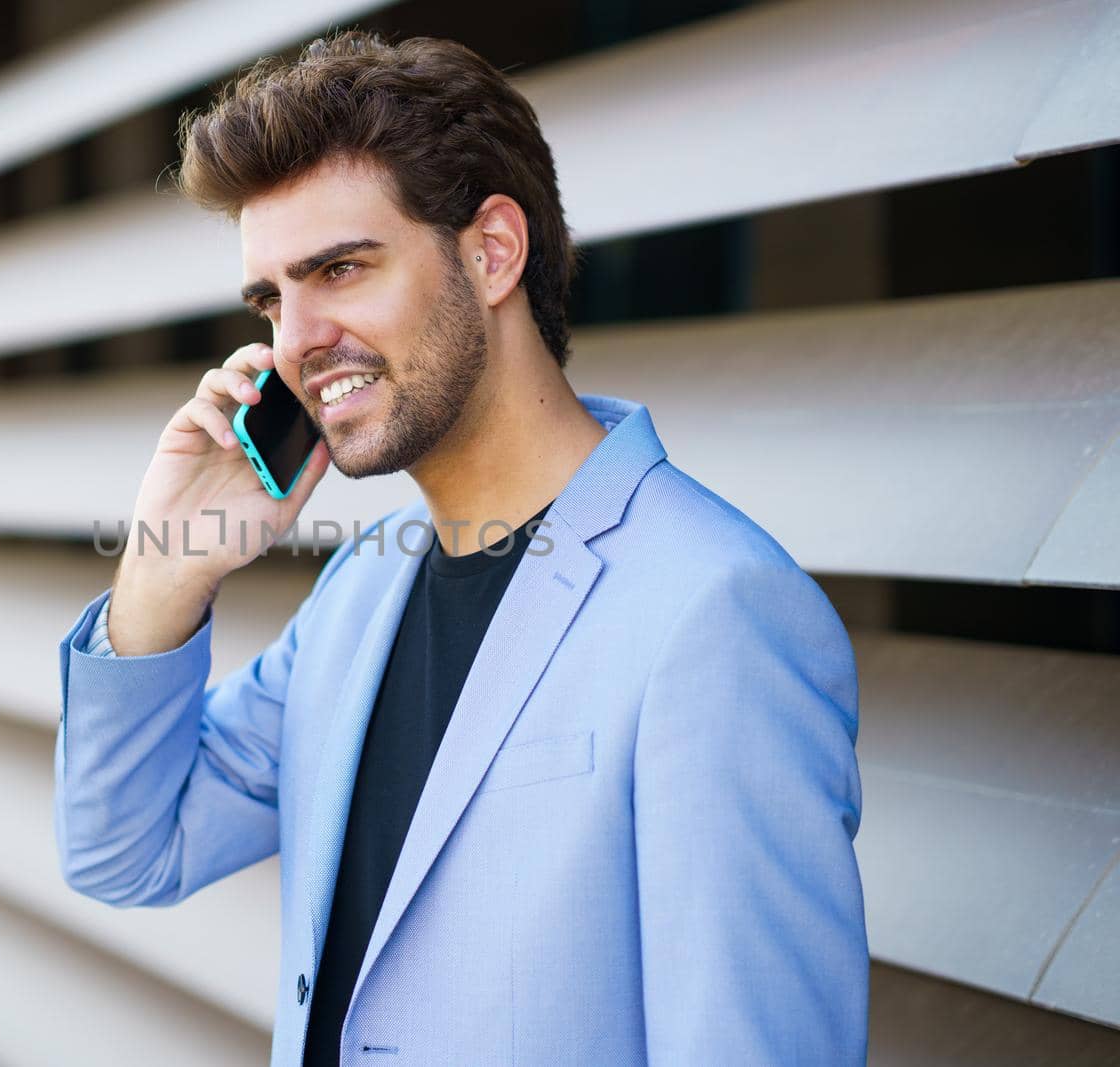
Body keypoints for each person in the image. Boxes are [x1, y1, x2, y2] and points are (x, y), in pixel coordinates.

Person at [54, 30, 867, 1067]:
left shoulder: (717, 608)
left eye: (339, 269)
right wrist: (166, 565)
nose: (295, 339)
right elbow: (124, 849)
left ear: (491, 252)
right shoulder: (362, 589)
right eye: (270, 298)